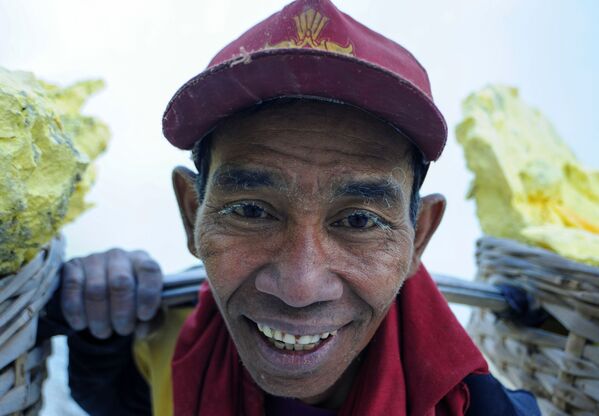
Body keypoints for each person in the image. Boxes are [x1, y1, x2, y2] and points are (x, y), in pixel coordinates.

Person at [53, 0, 541, 414]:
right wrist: (100, 322)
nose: (300, 287)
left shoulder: (474, 406)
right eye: (251, 210)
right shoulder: (170, 341)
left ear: (419, 237)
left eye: (358, 220)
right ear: (191, 213)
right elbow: (114, 398)